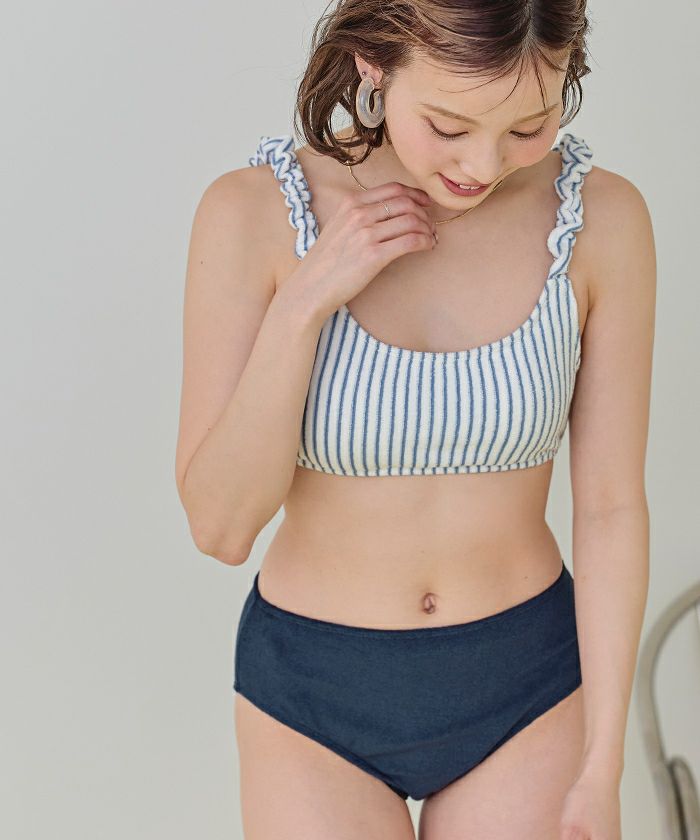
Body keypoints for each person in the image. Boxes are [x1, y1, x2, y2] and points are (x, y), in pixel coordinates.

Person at [175, 1, 656, 837]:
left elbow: (612, 509)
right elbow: (221, 528)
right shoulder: (251, 214)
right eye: (449, 125)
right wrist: (306, 302)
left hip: (528, 688)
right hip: (312, 697)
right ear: (375, 66)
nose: (482, 164)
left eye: (528, 126)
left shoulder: (601, 221)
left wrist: (602, 765)